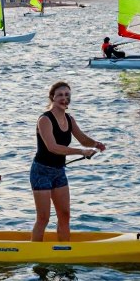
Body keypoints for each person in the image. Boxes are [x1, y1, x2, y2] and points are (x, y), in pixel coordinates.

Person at [30, 81, 107, 242]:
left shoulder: (69, 119)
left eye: (67, 95)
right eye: (60, 95)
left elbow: (82, 138)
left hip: (59, 171)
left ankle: (64, 249)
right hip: (41, 171)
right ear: (52, 97)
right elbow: (52, 147)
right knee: (43, 218)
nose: (64, 99)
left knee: (64, 215)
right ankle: (34, 252)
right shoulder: (44, 119)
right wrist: (81, 152)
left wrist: (95, 144)